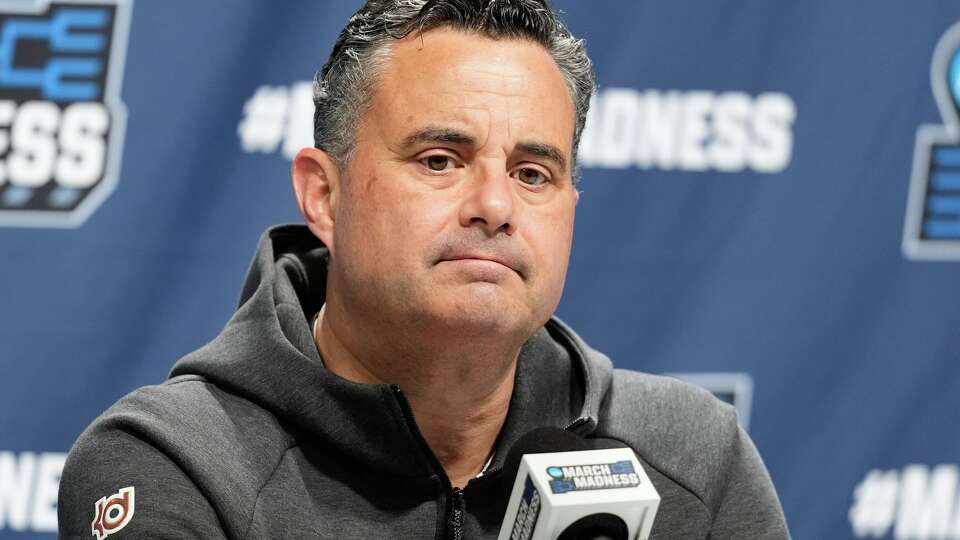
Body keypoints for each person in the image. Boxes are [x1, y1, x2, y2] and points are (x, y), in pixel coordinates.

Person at [58, 0, 790, 538]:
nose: (494, 205)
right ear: (324, 195)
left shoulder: (693, 459)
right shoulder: (176, 462)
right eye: (440, 161)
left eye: (533, 173)